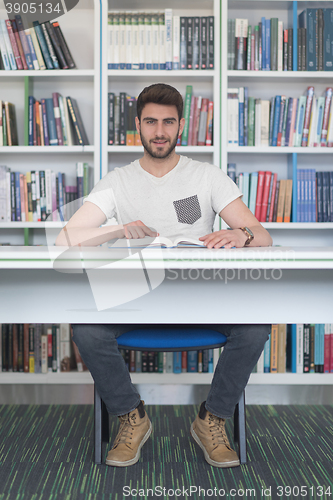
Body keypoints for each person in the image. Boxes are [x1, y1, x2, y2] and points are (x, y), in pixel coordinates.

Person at [55, 83, 272, 469]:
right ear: (137, 124)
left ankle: (214, 420)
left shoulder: (207, 176)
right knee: (87, 329)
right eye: (151, 121)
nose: (159, 131)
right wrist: (118, 230)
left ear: (181, 125)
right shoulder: (116, 182)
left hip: (200, 299)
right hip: (136, 300)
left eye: (168, 122)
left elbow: (263, 236)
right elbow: (65, 238)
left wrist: (242, 233)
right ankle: (129, 417)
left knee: (255, 325)